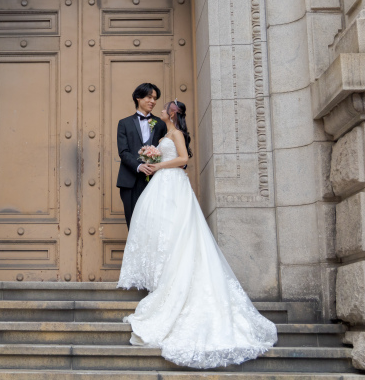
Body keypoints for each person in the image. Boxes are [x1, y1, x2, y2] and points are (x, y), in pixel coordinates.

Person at [117, 99, 278, 369]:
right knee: (168, 234)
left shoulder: (176, 133)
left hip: (172, 184)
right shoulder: (164, 133)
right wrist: (150, 157)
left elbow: (183, 159)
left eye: (165, 106)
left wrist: (157, 165)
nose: (159, 106)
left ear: (173, 113)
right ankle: (166, 276)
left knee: (179, 232)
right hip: (162, 185)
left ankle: (175, 282)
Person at [116, 83, 168, 229]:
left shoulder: (160, 124)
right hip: (130, 181)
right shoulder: (124, 123)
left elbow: (166, 149)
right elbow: (123, 151)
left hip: (154, 179)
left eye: (155, 98)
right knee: (133, 224)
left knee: (154, 224)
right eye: (149, 97)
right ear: (138, 98)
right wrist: (139, 166)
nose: (153, 101)